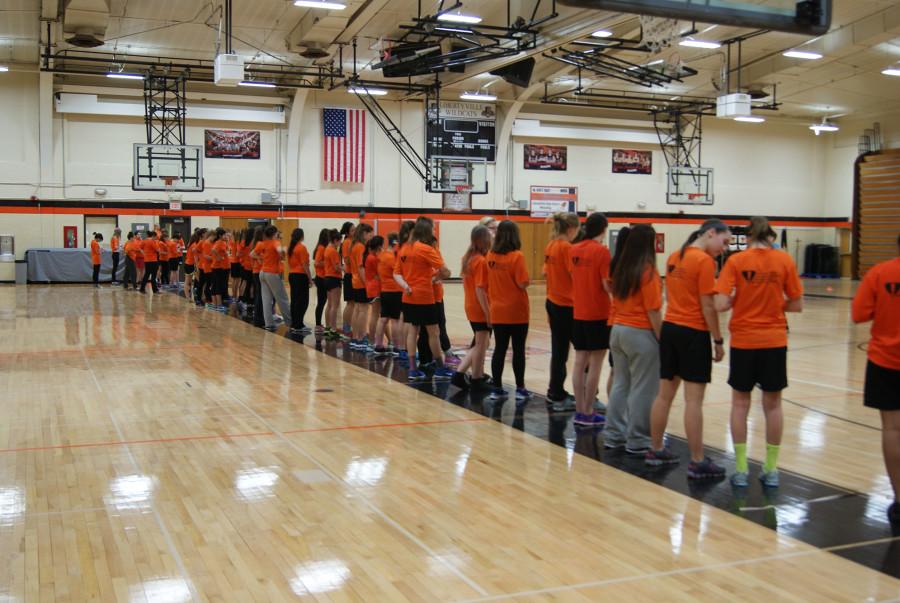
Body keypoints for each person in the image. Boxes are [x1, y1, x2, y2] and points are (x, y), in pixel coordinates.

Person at [715, 216, 803, 488]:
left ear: (748, 235)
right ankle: (771, 468)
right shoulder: (785, 261)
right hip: (774, 340)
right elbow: (797, 304)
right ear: (771, 235)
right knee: (773, 405)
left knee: (740, 405)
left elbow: (719, 303)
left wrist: (737, 301)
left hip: (744, 341)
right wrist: (776, 306)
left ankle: (741, 469)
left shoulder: (736, 261)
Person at [646, 219, 731, 478]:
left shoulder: (674, 256)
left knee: (664, 396)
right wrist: (717, 340)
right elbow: (708, 306)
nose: (725, 248)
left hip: (671, 328)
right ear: (710, 233)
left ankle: (656, 449)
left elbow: (670, 297)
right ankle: (697, 460)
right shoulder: (704, 261)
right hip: (693, 333)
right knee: (693, 401)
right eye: (724, 241)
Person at [852, 234, 900, 524]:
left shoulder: (880, 273)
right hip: (884, 360)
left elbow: (859, 314)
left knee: (892, 429)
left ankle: (898, 497)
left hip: (885, 360)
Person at [606, 224, 662, 455]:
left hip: (617, 329)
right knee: (643, 388)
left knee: (621, 383)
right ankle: (638, 438)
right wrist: (662, 338)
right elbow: (654, 310)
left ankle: (613, 434)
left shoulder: (621, 267)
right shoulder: (647, 270)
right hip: (640, 332)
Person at [393, 217, 452, 382]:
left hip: (408, 296)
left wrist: (406, 286)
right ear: (427, 230)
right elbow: (445, 271)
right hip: (425, 296)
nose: (434, 231)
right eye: (433, 229)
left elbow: (396, 273)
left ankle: (413, 369)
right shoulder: (426, 249)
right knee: (434, 332)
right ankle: (440, 367)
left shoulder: (404, 248)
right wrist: (435, 277)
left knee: (413, 331)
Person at [568, 213, 612, 427]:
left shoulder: (574, 250)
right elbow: (607, 284)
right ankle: (588, 410)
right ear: (603, 229)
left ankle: (579, 410)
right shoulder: (602, 252)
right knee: (595, 364)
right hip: (598, 313)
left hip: (578, 313)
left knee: (579, 362)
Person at [485, 220, 531, 402]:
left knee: (499, 349)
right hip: (517, 310)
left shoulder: (490, 255)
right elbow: (522, 282)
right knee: (518, 350)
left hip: (497, 309)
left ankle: (497, 388)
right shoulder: (517, 256)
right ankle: (520, 388)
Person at [544, 212, 580, 406]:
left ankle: (555, 390)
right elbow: (575, 275)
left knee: (559, 351)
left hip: (553, 301)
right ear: (572, 229)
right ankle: (587, 395)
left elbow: (545, 273)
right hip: (567, 305)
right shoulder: (567, 248)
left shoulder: (551, 245)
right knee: (584, 351)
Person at [451, 225, 492, 392]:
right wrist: (488, 314)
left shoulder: (467, 258)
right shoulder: (481, 261)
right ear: (484, 240)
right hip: (479, 306)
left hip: (470, 305)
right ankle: (470, 376)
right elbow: (480, 289)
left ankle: (474, 375)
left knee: (481, 342)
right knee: (481, 343)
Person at [252, 225, 292, 331]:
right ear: (275, 234)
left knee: (266, 300)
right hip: (272, 274)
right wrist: (284, 251)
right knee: (282, 298)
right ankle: (290, 322)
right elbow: (281, 254)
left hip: (262, 273)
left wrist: (261, 258)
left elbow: (252, 254)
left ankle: (269, 323)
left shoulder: (262, 243)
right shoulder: (276, 242)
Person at [374, 233, 403, 356]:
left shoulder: (382, 255)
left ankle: (378, 345)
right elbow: (399, 273)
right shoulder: (392, 258)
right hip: (394, 290)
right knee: (395, 320)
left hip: (384, 290)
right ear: (395, 244)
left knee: (383, 319)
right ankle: (397, 347)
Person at [349, 224, 375, 350]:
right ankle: (361, 338)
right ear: (364, 233)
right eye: (370, 233)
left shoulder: (354, 246)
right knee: (363, 310)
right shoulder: (360, 247)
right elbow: (361, 267)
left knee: (358, 309)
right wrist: (367, 284)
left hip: (355, 282)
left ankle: (355, 337)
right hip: (361, 282)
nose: (372, 236)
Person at [287, 228, 312, 335]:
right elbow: (304, 265)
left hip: (292, 275)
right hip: (300, 276)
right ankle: (299, 324)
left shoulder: (291, 248)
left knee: (295, 301)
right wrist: (310, 278)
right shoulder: (301, 248)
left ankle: (295, 324)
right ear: (301, 236)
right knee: (303, 301)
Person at [364, 235, 384, 348]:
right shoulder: (373, 258)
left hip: (372, 287)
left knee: (376, 315)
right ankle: (372, 340)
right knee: (375, 315)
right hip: (375, 288)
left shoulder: (370, 256)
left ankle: (372, 339)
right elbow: (380, 273)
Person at [323, 230, 344, 337]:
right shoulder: (333, 251)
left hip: (327, 278)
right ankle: (333, 329)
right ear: (336, 240)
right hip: (334, 278)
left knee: (330, 304)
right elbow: (337, 267)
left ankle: (327, 327)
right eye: (340, 242)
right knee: (334, 306)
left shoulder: (327, 249)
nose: (340, 244)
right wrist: (344, 268)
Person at [312, 228, 330, 332]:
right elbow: (317, 263)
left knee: (322, 302)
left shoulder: (323, 247)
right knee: (321, 302)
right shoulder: (321, 248)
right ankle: (318, 324)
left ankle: (319, 324)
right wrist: (328, 263)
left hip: (322, 277)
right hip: (321, 278)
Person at [340, 222, 356, 334]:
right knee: (350, 304)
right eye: (352, 230)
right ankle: (346, 327)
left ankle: (348, 326)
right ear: (347, 232)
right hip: (349, 275)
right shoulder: (346, 242)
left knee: (352, 303)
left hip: (353, 275)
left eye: (355, 229)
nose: (355, 232)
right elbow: (346, 260)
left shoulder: (353, 242)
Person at [210, 228, 230, 310]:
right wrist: (219, 257)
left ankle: (215, 304)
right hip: (218, 267)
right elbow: (213, 250)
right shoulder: (220, 242)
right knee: (218, 285)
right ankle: (219, 304)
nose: (226, 236)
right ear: (220, 236)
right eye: (224, 235)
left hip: (218, 267)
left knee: (215, 285)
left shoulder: (222, 242)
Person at [183, 230, 200, 300]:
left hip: (187, 263)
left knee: (189, 281)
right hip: (190, 264)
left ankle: (188, 297)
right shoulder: (194, 245)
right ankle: (189, 297)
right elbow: (195, 258)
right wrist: (197, 267)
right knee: (189, 281)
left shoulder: (190, 244)